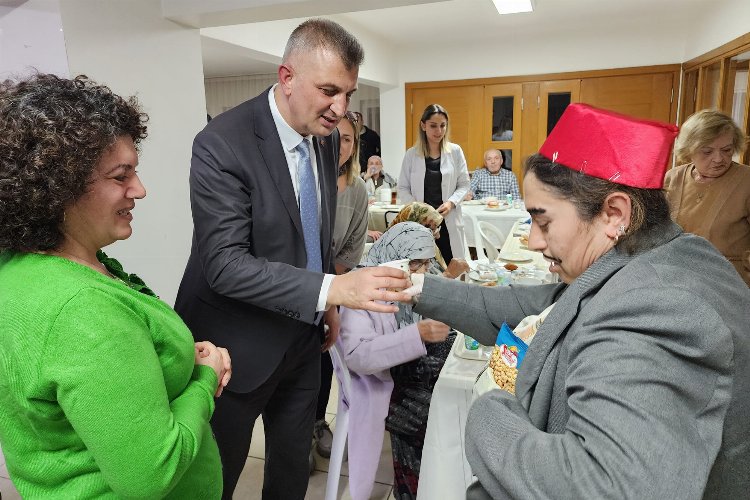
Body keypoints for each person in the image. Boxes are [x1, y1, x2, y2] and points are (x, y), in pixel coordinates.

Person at [405, 103, 750, 499]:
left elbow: (603, 485)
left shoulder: (654, 309)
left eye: (544, 220)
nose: (534, 240)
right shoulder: (651, 255)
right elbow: (533, 305)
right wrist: (413, 286)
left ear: (614, 213)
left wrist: (488, 407)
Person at [173, 19, 411, 500]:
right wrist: (334, 289)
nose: (340, 108)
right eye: (328, 90)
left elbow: (313, 231)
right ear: (286, 77)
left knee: (290, 472)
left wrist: (327, 307)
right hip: (233, 349)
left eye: (348, 92)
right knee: (216, 478)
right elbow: (224, 264)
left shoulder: (323, 137)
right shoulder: (221, 144)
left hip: (304, 342)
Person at [0, 73, 231, 498]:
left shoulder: (21, 268)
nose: (139, 190)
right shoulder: (82, 311)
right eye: (120, 176)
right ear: (60, 187)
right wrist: (203, 379)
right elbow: (152, 474)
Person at [338, 222, 452, 500]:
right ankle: (415, 487)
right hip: (378, 381)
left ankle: (443, 476)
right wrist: (418, 334)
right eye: (417, 264)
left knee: (453, 377)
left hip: (405, 366)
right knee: (434, 414)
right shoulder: (361, 290)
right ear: (397, 258)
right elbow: (358, 357)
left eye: (426, 263)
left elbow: (438, 294)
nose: (423, 271)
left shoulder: (405, 275)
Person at [313, 111, 369, 459]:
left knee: (322, 358)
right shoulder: (307, 178)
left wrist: (328, 288)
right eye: (334, 135)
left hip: (332, 286)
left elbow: (352, 246)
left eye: (346, 138)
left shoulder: (358, 190)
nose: (339, 144)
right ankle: (293, 434)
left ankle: (318, 421)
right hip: (295, 285)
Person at [663, 109, 750, 286]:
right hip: (675, 278)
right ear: (689, 150)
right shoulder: (673, 178)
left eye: (726, 150)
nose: (719, 159)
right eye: (707, 151)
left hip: (728, 283)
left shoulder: (746, 180)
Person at [398, 103, 470, 263]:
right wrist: (419, 210)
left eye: (443, 126)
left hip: (448, 220)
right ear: (423, 126)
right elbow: (402, 188)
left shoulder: (455, 151)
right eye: (433, 126)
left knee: (453, 265)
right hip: (422, 222)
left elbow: (464, 184)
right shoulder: (411, 154)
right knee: (424, 267)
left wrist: (451, 203)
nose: (439, 131)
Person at [389, 201, 469, 278]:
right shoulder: (402, 259)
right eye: (432, 230)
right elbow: (419, 289)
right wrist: (449, 274)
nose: (438, 236)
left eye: (437, 228)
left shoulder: (420, 248)